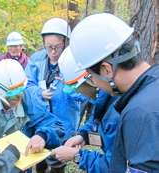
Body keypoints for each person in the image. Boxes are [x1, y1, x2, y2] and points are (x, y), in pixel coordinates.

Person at [69, 12, 159, 172]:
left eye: (91, 76)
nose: (93, 82)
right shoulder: (153, 84)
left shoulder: (139, 114)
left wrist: (78, 156)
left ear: (107, 69)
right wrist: (85, 136)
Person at [25, 17, 86, 173]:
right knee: (40, 157)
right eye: (49, 47)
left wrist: (70, 87)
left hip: (64, 120)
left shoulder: (75, 62)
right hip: (41, 119)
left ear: (65, 43)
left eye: (57, 47)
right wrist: (40, 93)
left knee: (58, 161)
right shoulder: (36, 60)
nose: (53, 52)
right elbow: (27, 85)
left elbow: (86, 94)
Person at [50, 46, 121, 173]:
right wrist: (84, 136)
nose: (78, 92)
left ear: (90, 79)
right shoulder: (106, 94)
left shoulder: (120, 112)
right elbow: (97, 120)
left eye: (77, 88)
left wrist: (77, 156)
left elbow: (116, 166)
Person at [0, 59, 64, 152]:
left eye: (19, 93)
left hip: (21, 161)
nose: (15, 99)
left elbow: (54, 125)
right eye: (10, 96)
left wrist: (41, 135)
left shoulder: (30, 102)